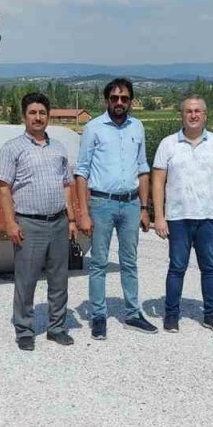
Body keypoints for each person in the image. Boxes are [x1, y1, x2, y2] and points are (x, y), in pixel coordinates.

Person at [75, 77, 156, 339]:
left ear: (131, 101)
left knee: (129, 262)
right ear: (106, 100)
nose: (119, 102)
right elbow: (81, 172)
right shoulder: (93, 128)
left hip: (131, 204)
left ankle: (133, 312)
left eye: (124, 98)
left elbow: (143, 169)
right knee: (98, 263)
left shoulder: (138, 127)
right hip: (101, 203)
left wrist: (145, 208)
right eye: (114, 98)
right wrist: (83, 213)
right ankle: (99, 316)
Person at [0, 92, 77, 351]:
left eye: (42, 113)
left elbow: (67, 185)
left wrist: (71, 219)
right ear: (24, 116)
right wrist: (10, 223)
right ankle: (24, 330)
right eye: (33, 113)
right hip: (29, 223)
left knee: (59, 279)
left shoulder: (59, 149)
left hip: (58, 222)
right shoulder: (12, 149)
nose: (38, 117)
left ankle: (56, 328)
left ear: (48, 116)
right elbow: (4, 188)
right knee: (26, 279)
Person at [151, 96, 213, 333]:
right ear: (182, 115)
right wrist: (159, 216)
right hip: (177, 217)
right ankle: (171, 314)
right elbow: (158, 182)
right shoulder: (168, 144)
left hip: (208, 216)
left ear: (205, 115)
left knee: (209, 268)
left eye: (198, 111)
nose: (194, 115)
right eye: (189, 111)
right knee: (177, 267)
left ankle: (211, 315)